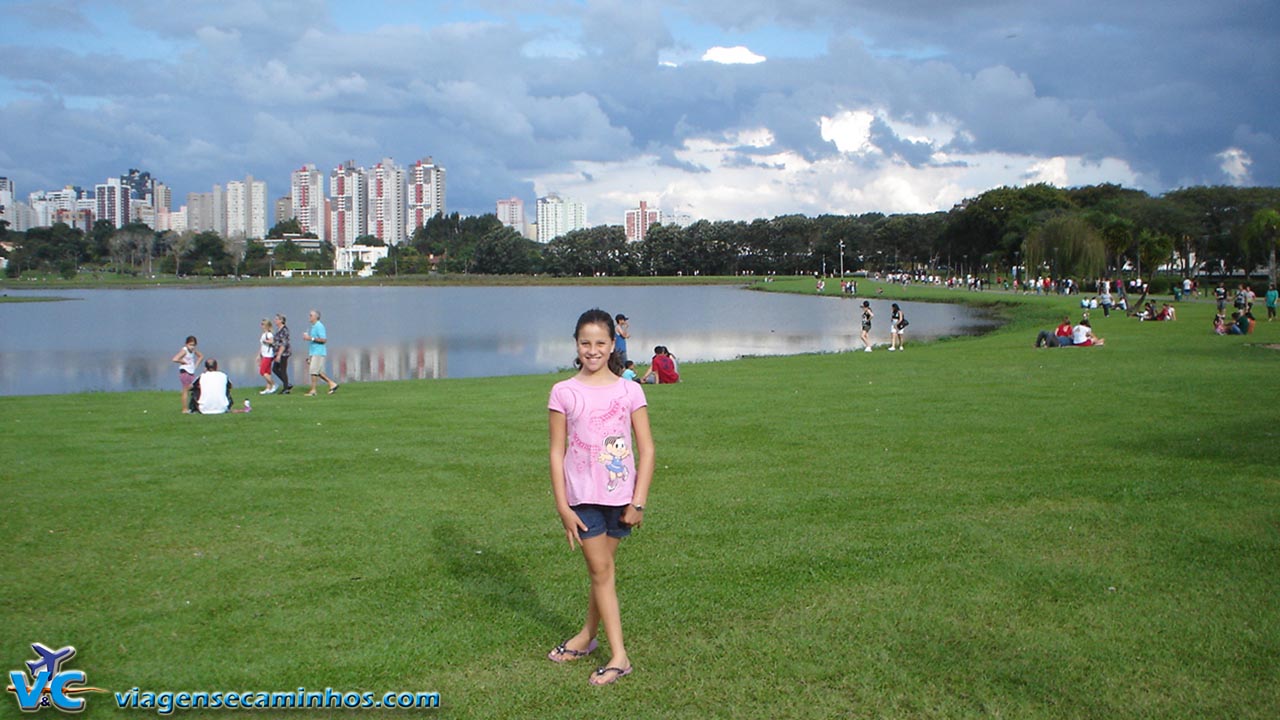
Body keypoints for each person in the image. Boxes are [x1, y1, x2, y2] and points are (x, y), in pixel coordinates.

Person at [546, 309, 655, 687]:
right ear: (576, 345)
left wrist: (638, 501)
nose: (592, 350)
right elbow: (556, 452)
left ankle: (585, 637)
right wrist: (562, 506)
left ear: (612, 345)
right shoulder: (563, 392)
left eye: (600, 343)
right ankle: (619, 656)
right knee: (601, 572)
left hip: (621, 498)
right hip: (582, 500)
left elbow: (648, 449)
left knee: (601, 573)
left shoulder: (630, 389)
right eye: (585, 343)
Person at [301, 309, 339, 396]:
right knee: (317, 372)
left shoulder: (319, 326)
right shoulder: (313, 327)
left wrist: (311, 338)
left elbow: (324, 340)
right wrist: (310, 355)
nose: (309, 317)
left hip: (319, 352)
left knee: (313, 371)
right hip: (313, 352)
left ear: (316, 317)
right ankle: (332, 384)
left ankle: (313, 390)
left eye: (311, 315)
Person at [171, 335, 204, 414]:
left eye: (193, 345)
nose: (192, 347)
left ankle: (195, 406)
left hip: (191, 372)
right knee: (185, 390)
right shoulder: (184, 350)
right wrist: (182, 362)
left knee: (196, 388)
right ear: (186, 344)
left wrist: (196, 365)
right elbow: (175, 359)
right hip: (185, 372)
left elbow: (201, 356)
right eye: (190, 345)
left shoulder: (193, 350)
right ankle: (184, 409)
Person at [271, 314, 293, 394]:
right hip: (277, 353)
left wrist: (279, 355)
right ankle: (287, 384)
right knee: (275, 369)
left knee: (283, 370)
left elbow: (284, 344)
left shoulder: (284, 330)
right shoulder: (278, 329)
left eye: (277, 319)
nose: (275, 321)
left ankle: (286, 388)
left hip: (284, 354)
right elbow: (277, 341)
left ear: (281, 320)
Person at [257, 319, 276, 394]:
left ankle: (273, 384)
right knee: (267, 372)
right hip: (264, 354)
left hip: (268, 355)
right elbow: (261, 346)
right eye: (261, 324)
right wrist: (259, 355)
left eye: (263, 324)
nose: (262, 326)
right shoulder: (263, 334)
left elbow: (272, 341)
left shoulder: (269, 334)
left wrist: (266, 341)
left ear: (267, 326)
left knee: (262, 371)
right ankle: (268, 388)